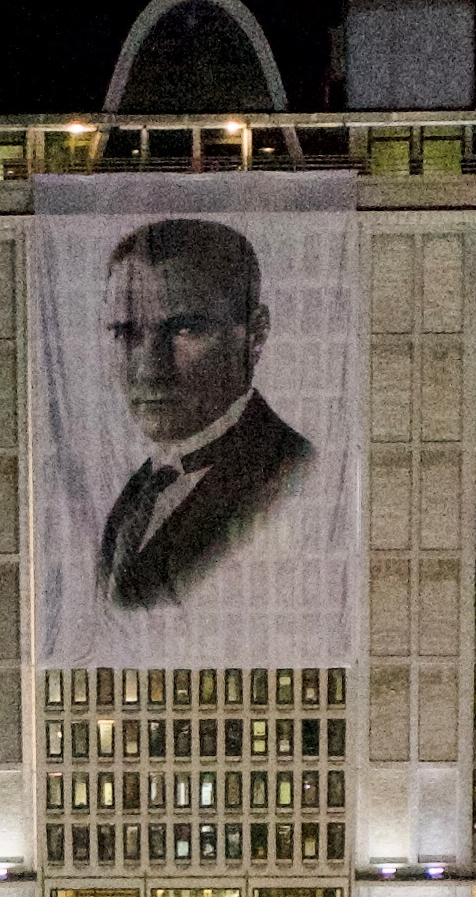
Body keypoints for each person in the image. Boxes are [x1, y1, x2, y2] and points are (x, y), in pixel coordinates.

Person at [88, 215, 314, 612]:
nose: (150, 369)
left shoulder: (291, 473)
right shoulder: (137, 494)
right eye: (126, 334)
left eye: (185, 330)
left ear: (256, 333)